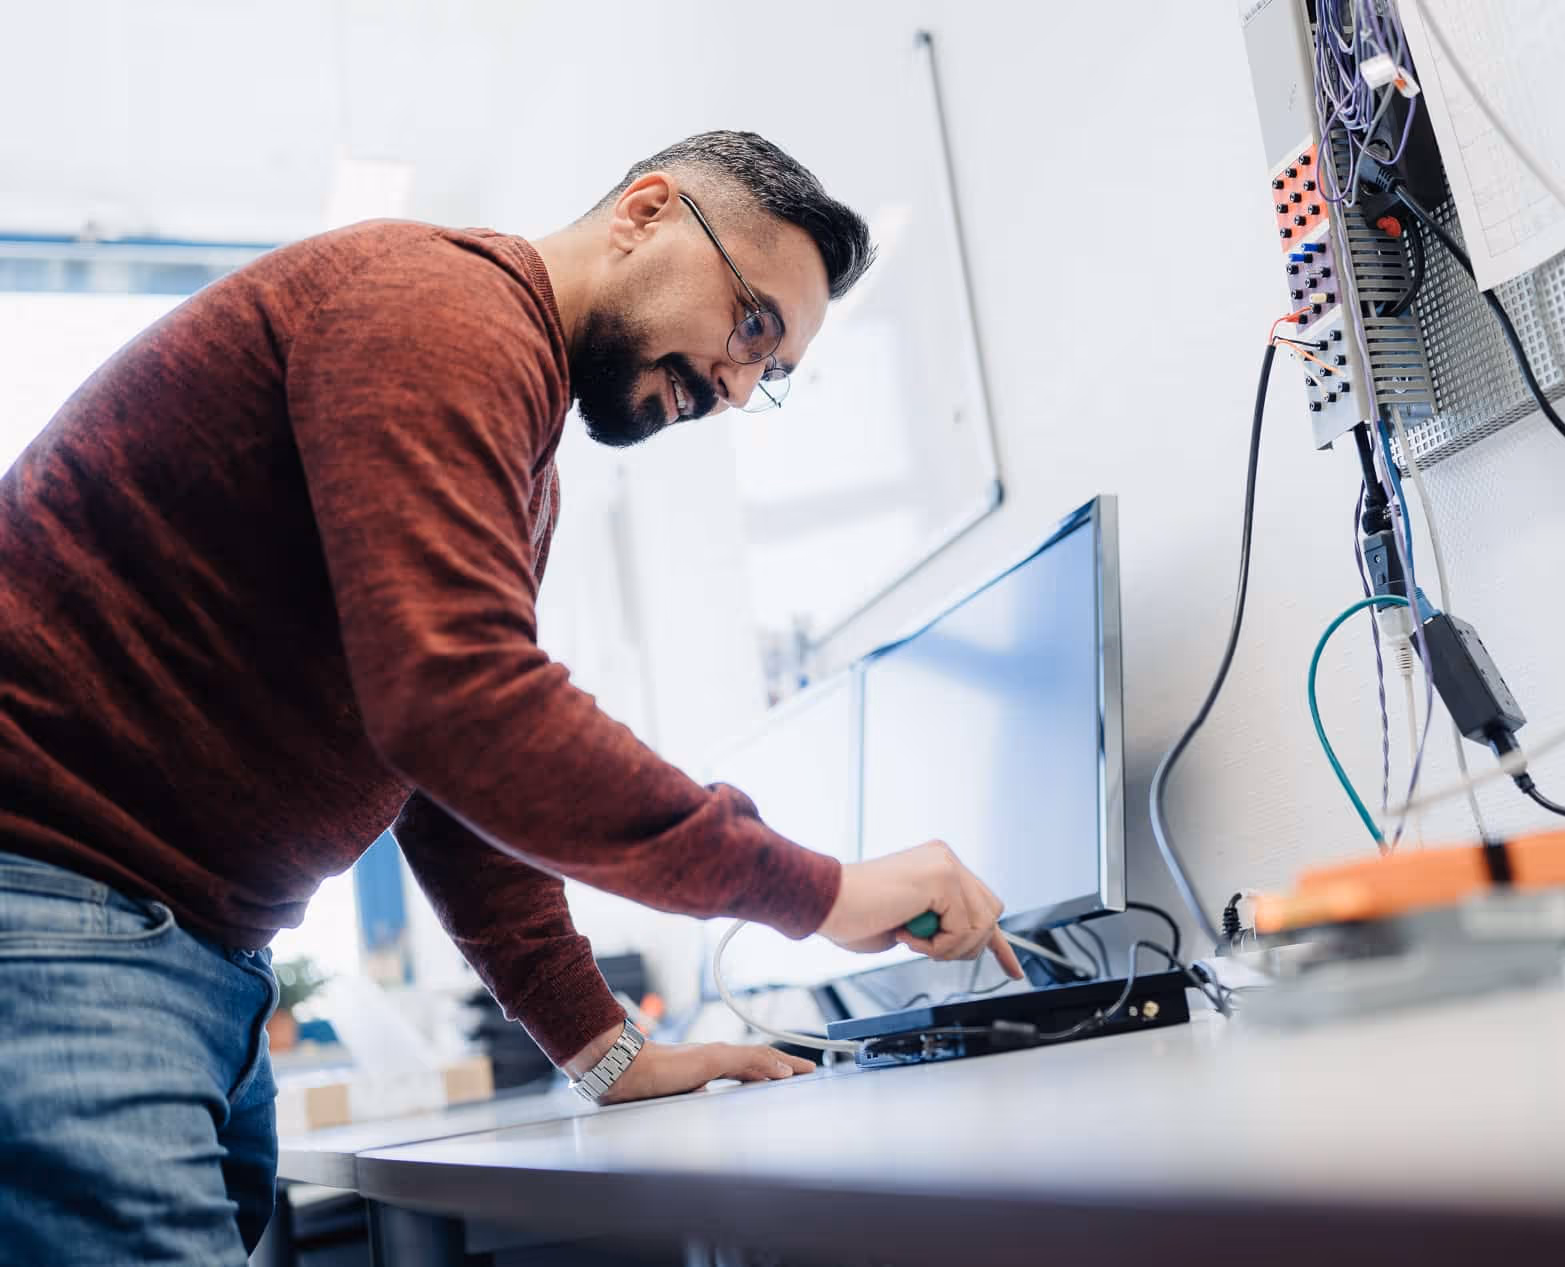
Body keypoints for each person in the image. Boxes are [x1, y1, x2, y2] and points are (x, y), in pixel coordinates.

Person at [0, 129, 1023, 1264]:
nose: (737, 388)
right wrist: (821, 890)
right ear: (645, 212)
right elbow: (463, 702)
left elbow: (449, 780)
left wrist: (606, 1051)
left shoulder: (518, 445)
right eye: (750, 326)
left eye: (769, 373)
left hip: (179, 952)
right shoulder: (441, 306)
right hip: (61, 916)